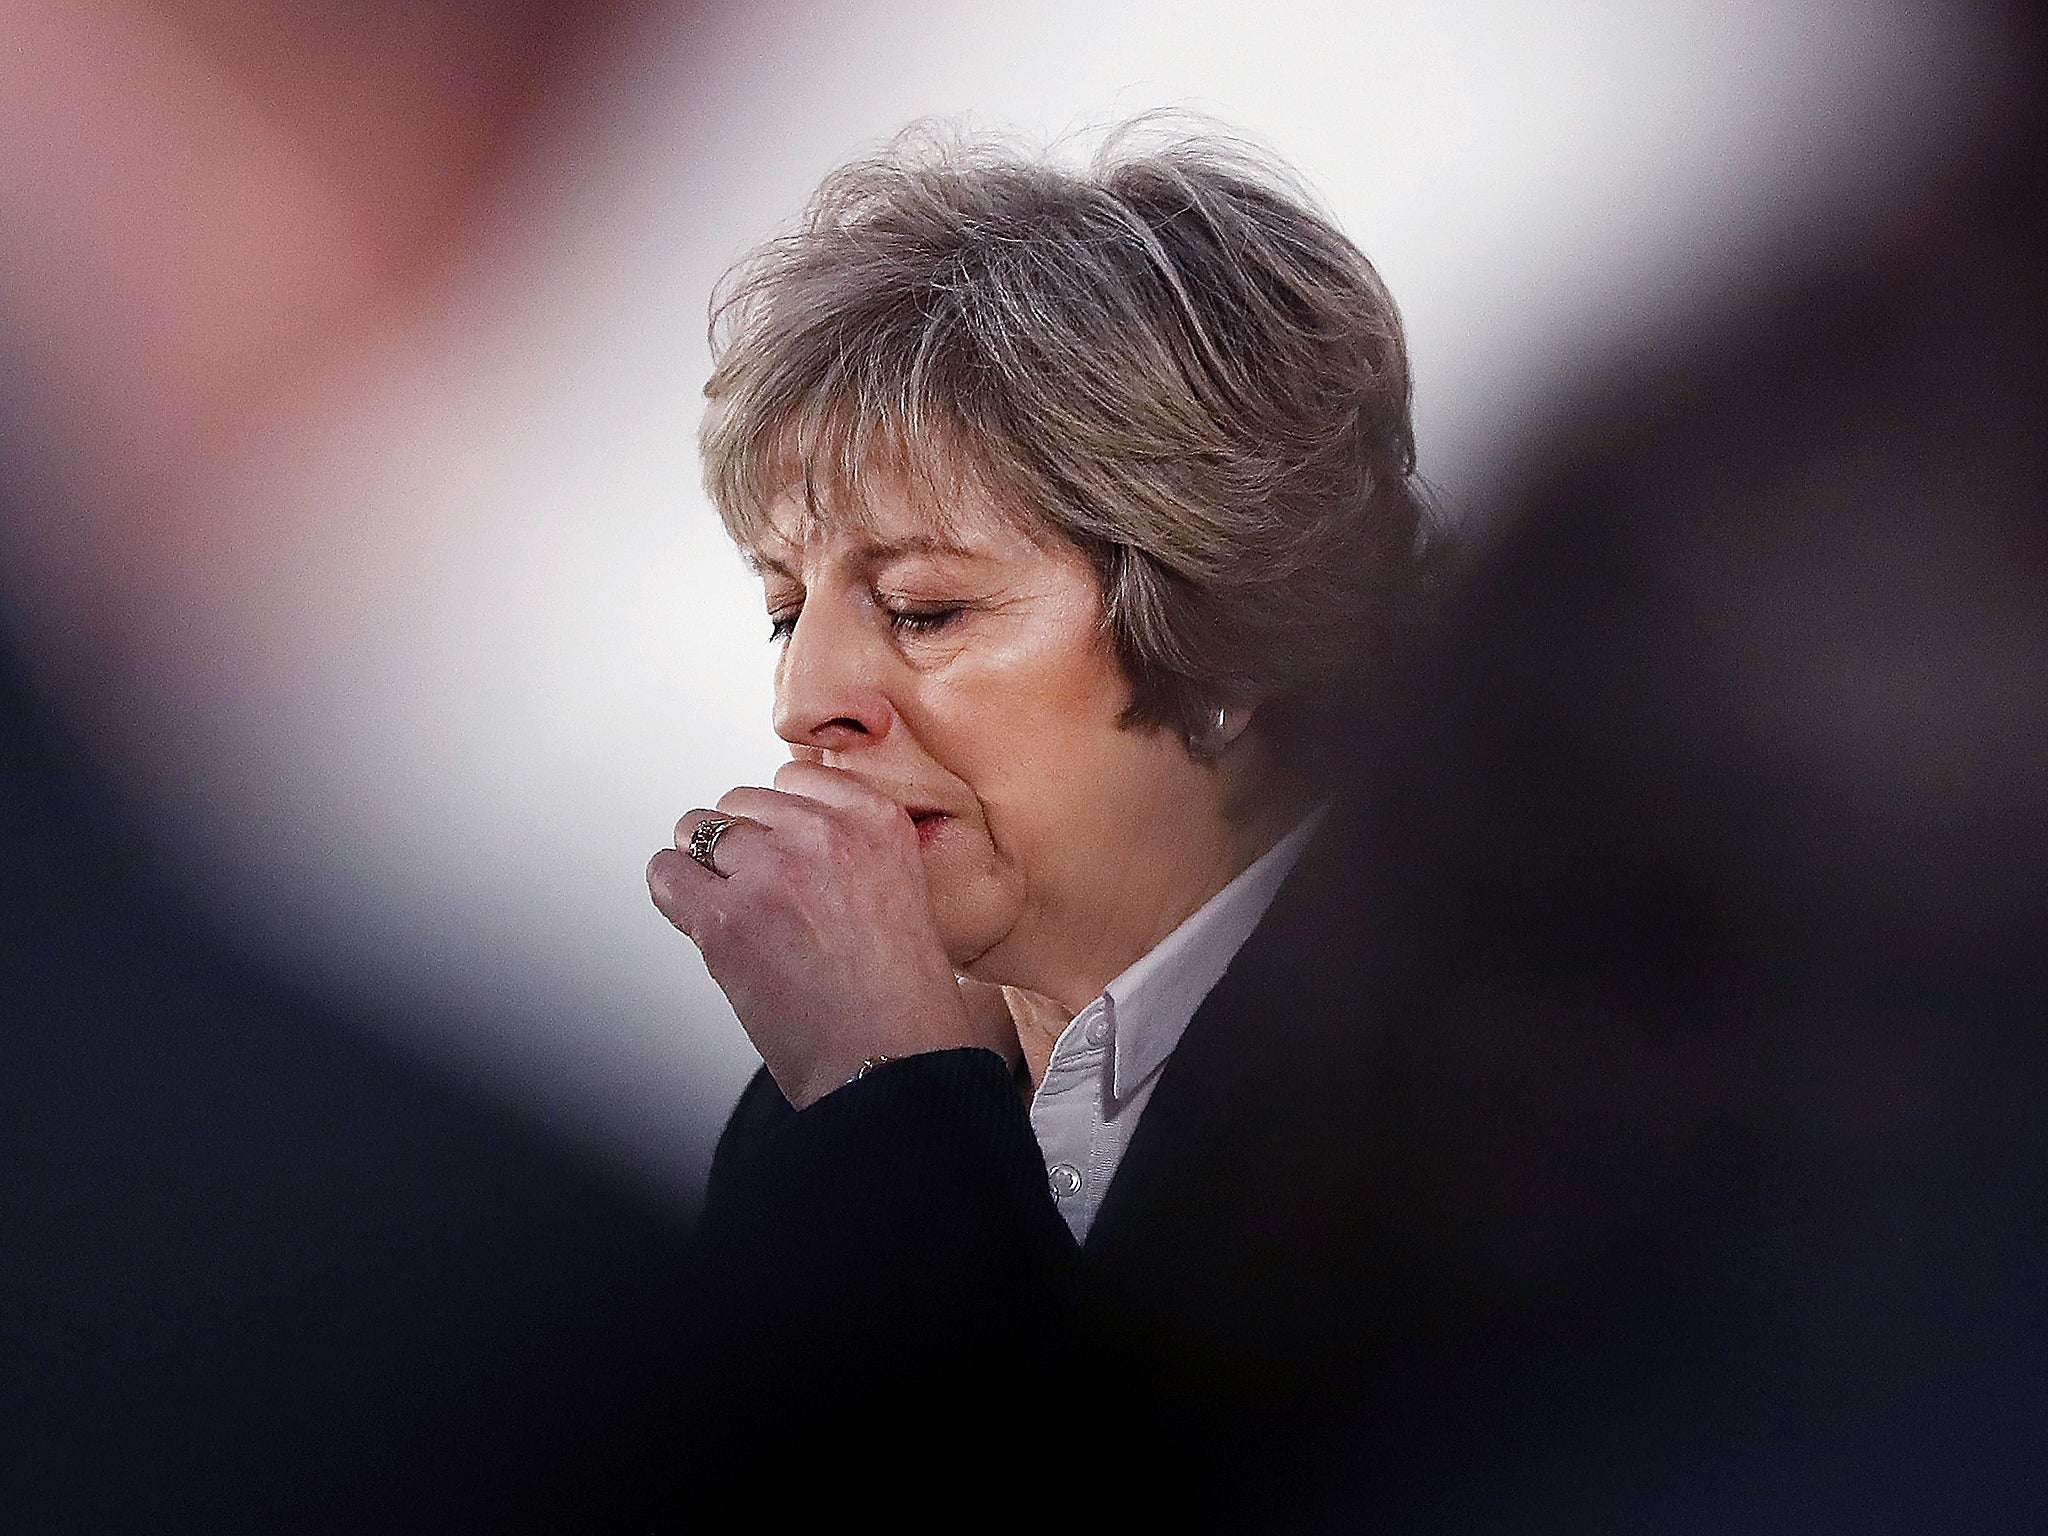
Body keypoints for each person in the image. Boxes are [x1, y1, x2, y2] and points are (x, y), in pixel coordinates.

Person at [644, 120, 1440, 1526]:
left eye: (925, 609)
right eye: (787, 609)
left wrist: (896, 1113)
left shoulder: (1466, 1085)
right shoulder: (805, 1113)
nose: (806, 697)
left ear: (1235, 621)